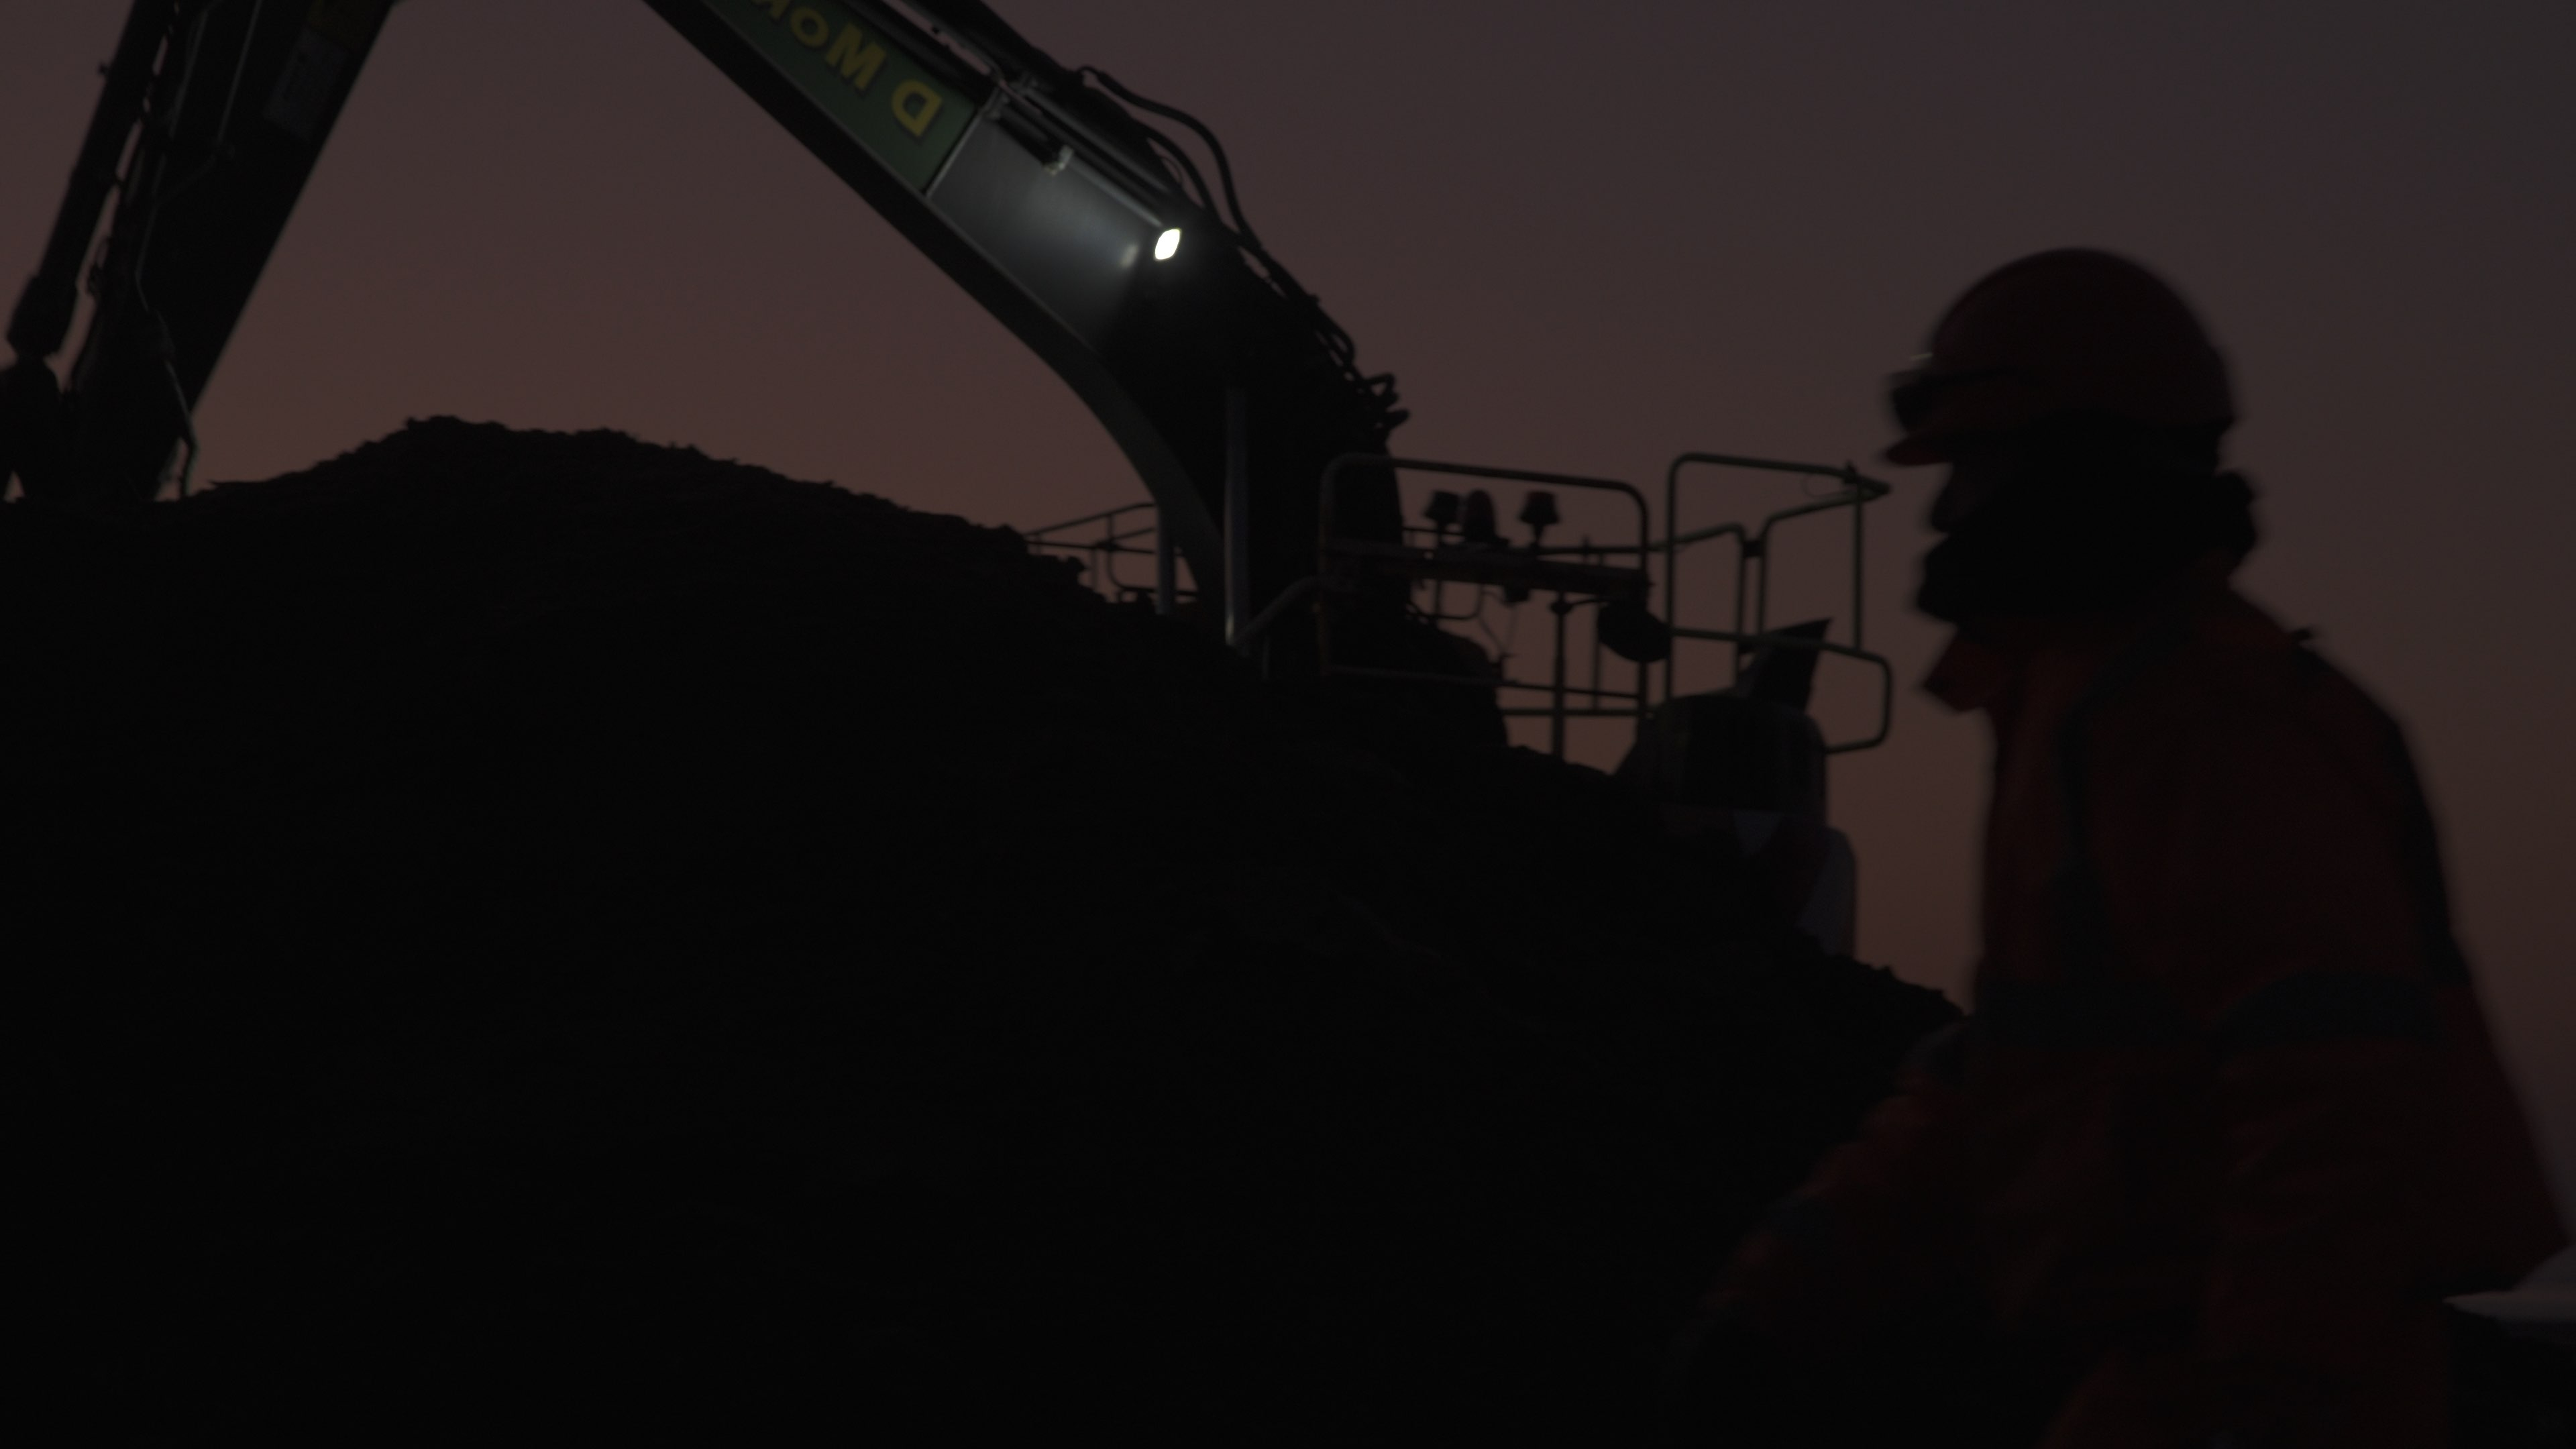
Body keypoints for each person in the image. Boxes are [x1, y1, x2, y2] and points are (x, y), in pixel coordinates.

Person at [1662, 250, 2565, 1448]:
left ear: (2068, 462)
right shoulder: (2081, 707)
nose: (1941, 510)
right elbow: (2012, 1073)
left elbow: (2337, 1100)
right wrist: (1774, 1307)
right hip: (2174, 1371)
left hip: (2263, 1388)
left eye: (1972, 464)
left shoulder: (2208, 728)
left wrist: (2265, 1390)